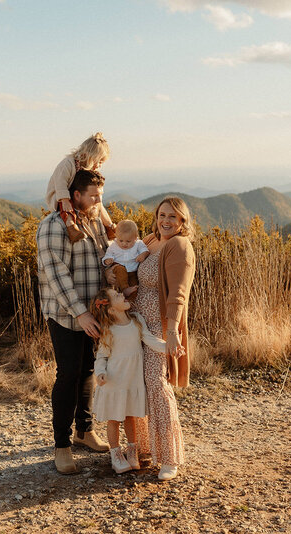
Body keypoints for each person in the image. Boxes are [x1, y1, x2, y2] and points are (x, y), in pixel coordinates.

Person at [36, 168, 112, 474]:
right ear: (75, 195)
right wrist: (80, 312)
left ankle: (85, 431)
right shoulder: (53, 225)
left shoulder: (95, 223)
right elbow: (55, 274)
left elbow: (105, 260)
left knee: (88, 370)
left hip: (95, 314)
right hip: (66, 313)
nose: (98, 201)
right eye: (93, 196)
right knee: (68, 374)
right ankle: (62, 445)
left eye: (101, 196)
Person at [132, 197, 195, 481]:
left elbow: (178, 294)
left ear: (183, 221)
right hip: (135, 325)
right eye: (161, 215)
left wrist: (172, 334)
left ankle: (170, 457)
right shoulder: (150, 240)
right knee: (139, 384)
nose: (166, 221)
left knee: (158, 384)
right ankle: (146, 450)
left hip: (159, 326)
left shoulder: (178, 246)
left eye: (172, 217)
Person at [89, 287, 174, 473]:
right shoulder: (108, 330)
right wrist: (100, 373)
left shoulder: (136, 321)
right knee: (114, 419)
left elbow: (150, 339)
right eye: (117, 296)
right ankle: (116, 455)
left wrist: (169, 347)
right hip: (114, 381)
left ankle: (132, 451)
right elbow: (102, 356)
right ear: (111, 309)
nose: (123, 295)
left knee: (130, 417)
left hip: (132, 381)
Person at [45, 132, 116, 243]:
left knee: (98, 203)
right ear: (90, 156)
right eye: (99, 161)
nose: (99, 165)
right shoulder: (68, 164)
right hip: (59, 195)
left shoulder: (88, 168)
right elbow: (60, 183)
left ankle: (110, 226)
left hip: (75, 194)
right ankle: (71, 227)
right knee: (67, 207)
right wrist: (65, 199)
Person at [101, 219, 149, 300]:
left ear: (135, 238)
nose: (124, 244)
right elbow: (107, 255)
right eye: (121, 240)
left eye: (128, 241)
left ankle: (131, 300)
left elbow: (145, 250)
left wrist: (143, 255)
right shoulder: (114, 245)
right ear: (116, 237)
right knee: (120, 270)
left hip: (133, 272)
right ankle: (124, 289)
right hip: (118, 269)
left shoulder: (138, 244)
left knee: (134, 286)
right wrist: (107, 260)